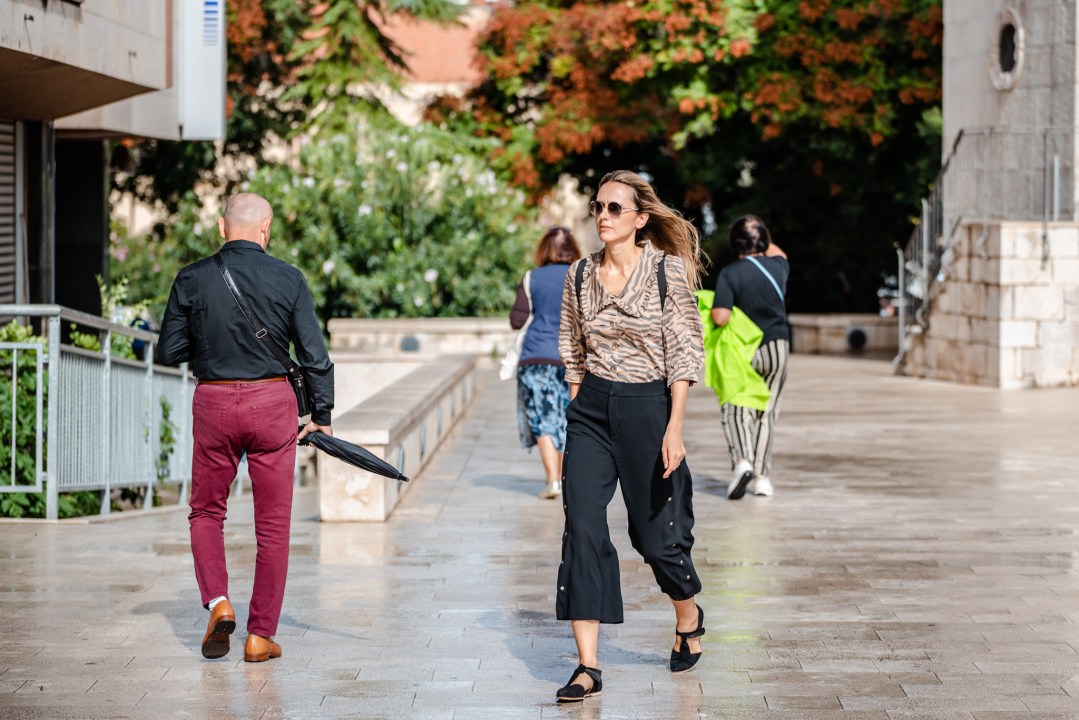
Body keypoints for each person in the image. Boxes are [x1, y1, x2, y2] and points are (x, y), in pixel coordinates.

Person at [156, 193, 334, 663]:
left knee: (206, 512)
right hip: (272, 403)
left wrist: (209, 337)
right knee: (273, 527)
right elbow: (315, 355)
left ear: (220, 226)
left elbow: (168, 351)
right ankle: (259, 636)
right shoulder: (288, 277)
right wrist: (323, 414)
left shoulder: (191, 277)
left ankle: (218, 602)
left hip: (213, 401)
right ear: (266, 228)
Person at [555, 170, 706, 702]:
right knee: (583, 526)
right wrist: (578, 404)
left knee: (654, 538)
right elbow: (571, 345)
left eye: (615, 208)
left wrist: (674, 426)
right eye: (598, 206)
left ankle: (688, 614)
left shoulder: (667, 273)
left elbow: (686, 352)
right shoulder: (578, 275)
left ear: (641, 219)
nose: (603, 215)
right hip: (592, 410)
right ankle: (587, 666)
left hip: (649, 409)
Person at [711, 215, 788, 500]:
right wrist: (760, 234)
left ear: (735, 244)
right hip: (778, 347)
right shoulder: (779, 266)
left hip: (745, 350)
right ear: (764, 241)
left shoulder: (731, 273)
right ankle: (762, 477)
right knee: (767, 413)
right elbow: (779, 252)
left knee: (736, 408)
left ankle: (742, 462)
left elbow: (721, 317)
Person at [509, 227, 582, 499]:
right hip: (571, 360)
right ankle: (565, 479)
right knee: (567, 417)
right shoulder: (582, 276)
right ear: (573, 249)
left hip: (535, 360)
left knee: (542, 419)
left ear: (544, 249)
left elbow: (517, 321)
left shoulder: (531, 278)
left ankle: (552, 480)